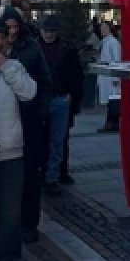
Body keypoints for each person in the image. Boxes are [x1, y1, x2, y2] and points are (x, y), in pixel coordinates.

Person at [0, 17, 38, 261]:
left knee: (9, 211)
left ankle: (7, 259)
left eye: (2, 37)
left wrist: (4, 66)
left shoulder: (13, 65)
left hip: (10, 149)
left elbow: (29, 92)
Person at [1, 7, 53, 244]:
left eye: (15, 26)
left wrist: (40, 111)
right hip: (4, 120)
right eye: (7, 27)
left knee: (31, 174)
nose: (11, 31)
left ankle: (29, 223)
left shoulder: (31, 48)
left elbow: (43, 81)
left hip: (30, 119)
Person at [38, 16, 83, 193]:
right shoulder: (35, 47)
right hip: (42, 98)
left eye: (51, 31)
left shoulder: (66, 48)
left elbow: (76, 75)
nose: (48, 34)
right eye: (46, 31)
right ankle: (46, 174)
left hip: (60, 97)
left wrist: (71, 96)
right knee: (42, 139)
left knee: (58, 140)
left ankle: (53, 175)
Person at [95, 21, 121, 133]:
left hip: (111, 76)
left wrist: (116, 78)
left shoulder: (113, 42)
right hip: (105, 75)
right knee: (109, 100)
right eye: (101, 28)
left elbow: (116, 60)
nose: (102, 30)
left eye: (105, 27)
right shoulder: (104, 42)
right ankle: (111, 122)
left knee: (113, 100)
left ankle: (112, 123)